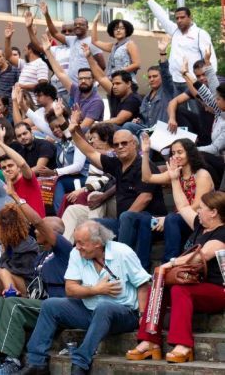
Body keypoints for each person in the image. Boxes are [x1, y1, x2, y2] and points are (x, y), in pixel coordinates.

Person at [20, 220, 150, 375]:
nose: (77, 247)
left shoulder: (122, 252)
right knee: (50, 305)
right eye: (76, 242)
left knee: (104, 307)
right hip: (89, 310)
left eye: (82, 243)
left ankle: (80, 363)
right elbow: (70, 289)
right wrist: (96, 290)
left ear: (97, 243)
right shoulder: (77, 253)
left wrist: (142, 315)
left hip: (124, 314)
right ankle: (36, 363)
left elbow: (143, 285)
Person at [0, 187, 72, 375]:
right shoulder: (42, 255)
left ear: (52, 233)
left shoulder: (63, 251)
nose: (35, 231)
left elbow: (36, 221)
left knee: (12, 304)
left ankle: (12, 360)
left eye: (40, 229)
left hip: (56, 307)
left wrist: (16, 197)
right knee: (0, 300)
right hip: (38, 304)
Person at [126, 180, 225, 364]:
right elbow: (182, 205)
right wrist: (173, 179)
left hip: (216, 291)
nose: (198, 211)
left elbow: (201, 255)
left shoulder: (222, 233)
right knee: (160, 284)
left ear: (213, 212)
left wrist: (169, 264)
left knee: (180, 289)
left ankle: (183, 345)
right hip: (192, 284)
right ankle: (149, 341)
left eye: (202, 208)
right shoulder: (199, 226)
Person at [71, 120, 166, 270]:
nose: (120, 147)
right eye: (116, 144)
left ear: (134, 144)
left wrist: (124, 221)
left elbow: (145, 198)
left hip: (150, 223)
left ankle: (119, 267)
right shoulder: (117, 164)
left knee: (127, 216)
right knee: (91, 226)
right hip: (124, 222)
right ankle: (86, 268)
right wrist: (71, 132)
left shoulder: (145, 165)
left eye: (124, 143)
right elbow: (90, 152)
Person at [141, 136, 214, 263]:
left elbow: (197, 206)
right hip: (176, 220)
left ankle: (168, 264)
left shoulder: (201, 174)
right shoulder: (175, 173)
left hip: (198, 221)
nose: (176, 156)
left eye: (180, 152)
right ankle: (143, 269)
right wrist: (146, 153)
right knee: (141, 219)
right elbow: (147, 178)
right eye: (173, 153)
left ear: (190, 153)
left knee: (172, 218)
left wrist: (167, 218)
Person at [142, 0, 217, 93]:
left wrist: (210, 82)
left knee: (197, 111)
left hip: (193, 83)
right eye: (177, 18)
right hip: (174, 81)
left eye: (182, 17)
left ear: (190, 17)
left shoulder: (200, 34)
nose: (179, 20)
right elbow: (161, 16)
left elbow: (210, 59)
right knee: (175, 109)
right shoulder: (175, 31)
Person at [41, 35, 103, 130]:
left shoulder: (96, 102)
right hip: (72, 132)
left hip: (86, 139)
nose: (83, 81)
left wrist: (69, 123)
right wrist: (48, 51)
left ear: (93, 80)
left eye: (86, 78)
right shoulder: (76, 91)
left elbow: (83, 128)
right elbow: (61, 73)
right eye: (80, 78)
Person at [39, 1, 106, 85]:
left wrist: (93, 80)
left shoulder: (92, 42)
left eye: (81, 24)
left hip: (85, 86)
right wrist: (46, 15)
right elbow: (55, 33)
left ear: (87, 27)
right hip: (72, 86)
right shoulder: (71, 40)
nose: (77, 26)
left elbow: (102, 65)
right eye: (76, 24)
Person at [90, 14, 141, 80]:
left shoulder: (130, 44)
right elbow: (94, 41)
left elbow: (137, 64)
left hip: (126, 81)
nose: (118, 30)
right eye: (115, 29)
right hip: (114, 80)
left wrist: (118, 73)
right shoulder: (113, 47)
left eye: (122, 28)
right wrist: (95, 22)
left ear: (126, 31)